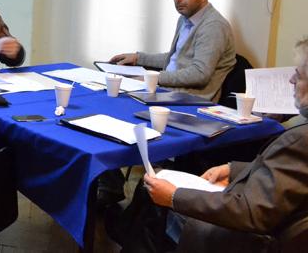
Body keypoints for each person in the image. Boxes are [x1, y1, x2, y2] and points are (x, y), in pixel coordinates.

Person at [112, 37, 308, 252]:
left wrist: (174, 197)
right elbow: (290, 176)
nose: (290, 81)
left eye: (297, 75)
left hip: (247, 238)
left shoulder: (299, 140)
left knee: (153, 197)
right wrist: (233, 169)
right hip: (262, 215)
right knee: (154, 187)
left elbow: (251, 212)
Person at [110, 0, 236, 101]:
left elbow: (199, 74)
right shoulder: (184, 19)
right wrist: (138, 58)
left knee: (118, 99)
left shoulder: (213, 26)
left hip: (190, 98)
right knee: (111, 91)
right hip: (169, 90)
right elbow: (176, 58)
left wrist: (154, 78)